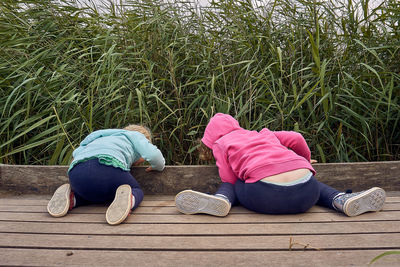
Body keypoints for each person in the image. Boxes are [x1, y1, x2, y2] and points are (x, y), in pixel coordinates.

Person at [175, 113, 386, 217]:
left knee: (235, 183)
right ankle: (341, 200)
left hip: (266, 197)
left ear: (211, 139)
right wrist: (304, 159)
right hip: (306, 193)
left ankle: (221, 200)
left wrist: (235, 181)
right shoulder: (264, 133)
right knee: (312, 182)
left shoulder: (221, 143)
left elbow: (228, 178)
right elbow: (296, 137)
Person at [47, 125, 165, 225]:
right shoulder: (134, 135)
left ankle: (73, 199)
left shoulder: (97, 136)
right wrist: (156, 166)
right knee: (135, 189)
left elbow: (75, 154)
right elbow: (154, 156)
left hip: (76, 173)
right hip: (108, 167)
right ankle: (130, 200)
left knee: (94, 196)